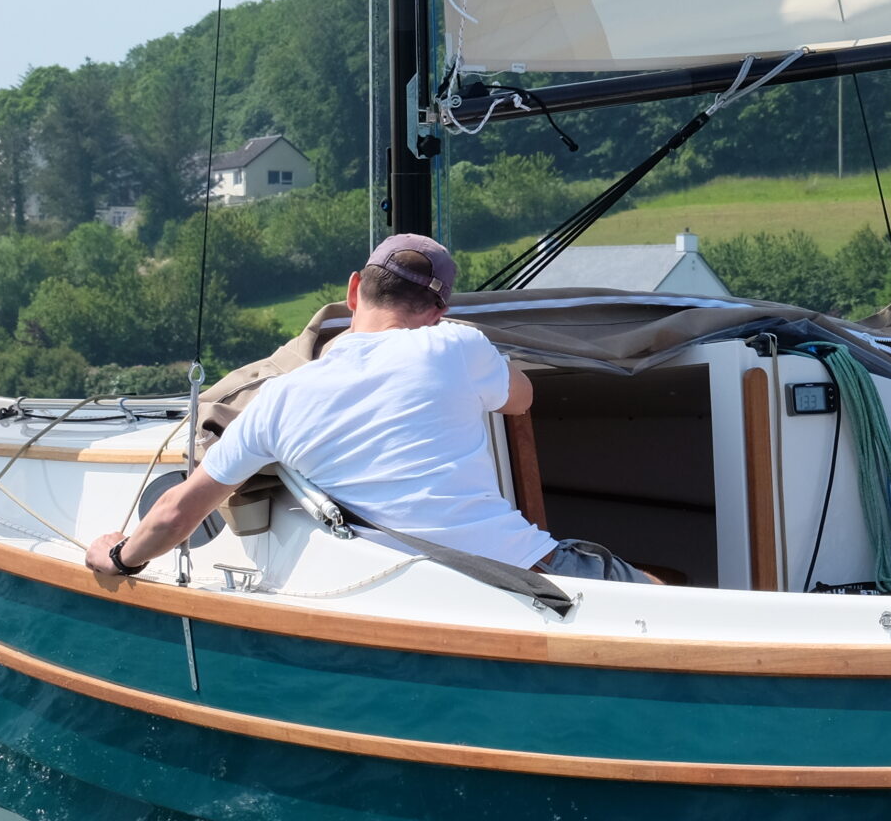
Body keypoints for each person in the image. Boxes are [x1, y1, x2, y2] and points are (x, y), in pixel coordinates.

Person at [85, 234, 650, 585]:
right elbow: (522, 399)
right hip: (524, 573)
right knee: (664, 595)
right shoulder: (456, 344)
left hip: (404, 591)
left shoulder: (279, 399)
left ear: (354, 290)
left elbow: (175, 515)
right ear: (437, 311)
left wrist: (121, 557)